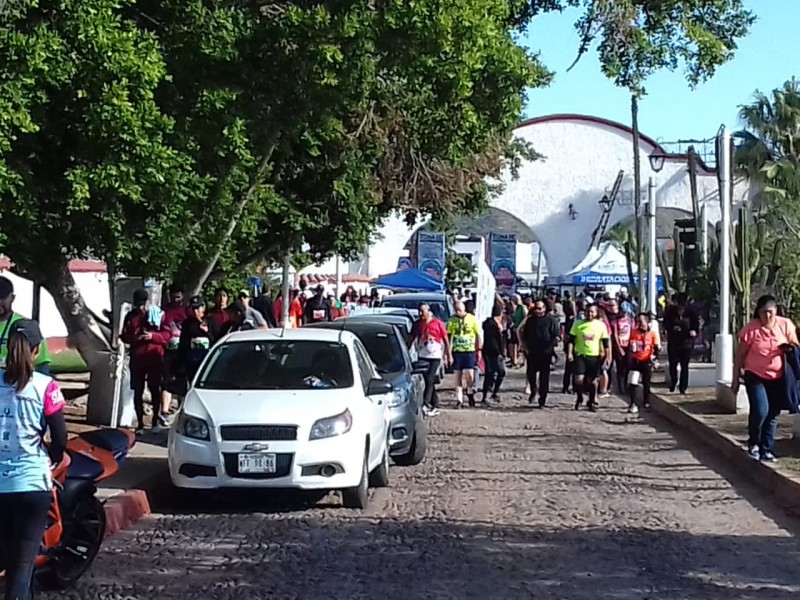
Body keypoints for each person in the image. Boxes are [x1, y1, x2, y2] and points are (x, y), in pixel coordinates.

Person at [0, 319, 67, 600]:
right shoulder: (46, 386)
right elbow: (60, 437)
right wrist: (51, 458)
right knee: (21, 567)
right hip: (30, 485)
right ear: (37, 351)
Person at [732, 295, 799, 462]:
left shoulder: (785, 325)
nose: (767, 317)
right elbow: (740, 356)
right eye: (763, 313)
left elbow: (796, 347)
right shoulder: (751, 330)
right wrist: (735, 378)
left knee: (773, 413)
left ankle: (766, 449)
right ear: (758, 313)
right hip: (755, 375)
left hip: (778, 376)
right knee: (761, 410)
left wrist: (789, 349)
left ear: (775, 311)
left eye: (770, 312)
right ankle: (754, 442)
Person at [120, 289, 171, 432]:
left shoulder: (157, 314)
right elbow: (124, 335)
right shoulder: (131, 316)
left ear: (147, 301)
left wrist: (153, 337)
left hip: (154, 357)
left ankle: (155, 420)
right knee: (137, 390)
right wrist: (135, 338)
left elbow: (167, 334)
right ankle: (140, 423)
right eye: (138, 304)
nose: (141, 307)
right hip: (137, 358)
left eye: (143, 303)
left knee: (155, 389)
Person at [0, 276, 52, 374]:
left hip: (17, 385)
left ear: (12, 297)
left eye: (2, 297)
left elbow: (42, 364)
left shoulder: (27, 326)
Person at [567, 303, 610, 412]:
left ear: (596, 313)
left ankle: (591, 401)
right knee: (579, 379)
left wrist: (608, 356)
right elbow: (571, 340)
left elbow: (606, 343)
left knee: (593, 381)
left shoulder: (601, 325)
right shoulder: (578, 324)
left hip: (595, 357)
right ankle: (579, 397)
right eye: (587, 311)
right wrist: (570, 353)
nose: (589, 314)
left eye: (592, 312)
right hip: (580, 355)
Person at [521, 298, 561, 408]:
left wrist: (552, 346)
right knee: (531, 374)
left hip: (546, 353)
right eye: (535, 309)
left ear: (544, 308)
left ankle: (542, 399)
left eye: (539, 308)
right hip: (532, 351)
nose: (537, 311)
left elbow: (556, 335)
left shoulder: (551, 320)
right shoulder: (530, 320)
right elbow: (525, 334)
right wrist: (524, 346)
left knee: (544, 377)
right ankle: (533, 390)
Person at [411, 303, 450, 416]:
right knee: (428, 380)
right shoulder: (417, 324)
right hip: (422, 355)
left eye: (422, 311)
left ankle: (426, 403)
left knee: (430, 378)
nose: (420, 314)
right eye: (419, 311)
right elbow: (411, 338)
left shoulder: (437, 323)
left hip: (435, 356)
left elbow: (445, 339)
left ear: (428, 311)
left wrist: (448, 354)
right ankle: (435, 403)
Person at [176, 295, 220, 385]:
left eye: (197, 308)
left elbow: (217, 340)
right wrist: (180, 362)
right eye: (193, 308)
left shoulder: (210, 321)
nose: (195, 311)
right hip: (191, 360)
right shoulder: (188, 323)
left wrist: (207, 332)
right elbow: (183, 343)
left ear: (203, 307)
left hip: (206, 359)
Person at [161, 287, 190, 415]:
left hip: (183, 350)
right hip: (168, 350)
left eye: (178, 297)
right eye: (173, 297)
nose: (175, 300)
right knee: (167, 381)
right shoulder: (165, 311)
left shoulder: (187, 311)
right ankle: (164, 411)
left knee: (182, 380)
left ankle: (181, 409)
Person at [446, 301, 481, 408]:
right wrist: (448, 354)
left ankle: (470, 393)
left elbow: (477, 334)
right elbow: (448, 338)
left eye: (460, 310)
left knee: (470, 375)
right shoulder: (452, 321)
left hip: (469, 351)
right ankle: (459, 400)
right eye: (456, 310)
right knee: (458, 376)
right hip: (457, 351)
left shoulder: (472, 319)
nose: (458, 312)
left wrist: (478, 349)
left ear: (464, 309)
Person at [664, 293, 699, 394]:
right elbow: (666, 325)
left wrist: (694, 331)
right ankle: (673, 381)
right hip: (674, 341)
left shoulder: (691, 313)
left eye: (682, 306)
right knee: (673, 363)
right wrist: (672, 328)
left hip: (687, 342)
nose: (680, 308)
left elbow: (695, 326)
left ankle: (683, 387)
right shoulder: (670, 312)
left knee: (684, 365)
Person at [627, 312, 660, 413]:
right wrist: (632, 348)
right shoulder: (633, 332)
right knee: (633, 382)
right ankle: (633, 403)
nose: (640, 323)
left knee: (646, 383)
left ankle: (646, 402)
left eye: (641, 321)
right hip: (636, 360)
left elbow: (656, 347)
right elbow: (630, 345)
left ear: (647, 322)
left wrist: (655, 358)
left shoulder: (652, 333)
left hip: (647, 361)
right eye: (638, 321)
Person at [481, 305, 506, 406]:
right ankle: (485, 396)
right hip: (491, 353)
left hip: (497, 353)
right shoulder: (491, 325)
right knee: (490, 374)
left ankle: (494, 392)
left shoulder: (497, 324)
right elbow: (493, 342)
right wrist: (499, 353)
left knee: (500, 372)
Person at [607, 299, 633, 394]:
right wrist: (619, 347)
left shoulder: (630, 321)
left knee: (628, 366)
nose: (624, 313)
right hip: (619, 346)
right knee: (620, 367)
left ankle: (627, 384)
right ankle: (621, 387)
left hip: (628, 346)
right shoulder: (615, 322)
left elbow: (632, 332)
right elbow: (615, 335)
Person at [507, 295, 525, 368]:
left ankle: (521, 361)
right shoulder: (516, 308)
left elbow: (525, 317)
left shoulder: (522, 307)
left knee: (519, 345)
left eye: (514, 299)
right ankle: (514, 360)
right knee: (513, 344)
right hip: (514, 328)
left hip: (520, 329)